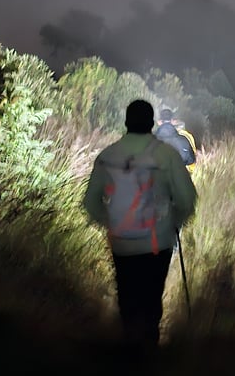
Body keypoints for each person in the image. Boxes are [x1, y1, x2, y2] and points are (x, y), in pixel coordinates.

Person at [83, 99, 197, 346]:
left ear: (126, 122)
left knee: (127, 294)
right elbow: (187, 201)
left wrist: (110, 221)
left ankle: (129, 347)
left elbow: (91, 202)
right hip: (158, 242)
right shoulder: (166, 155)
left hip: (121, 242)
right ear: (150, 123)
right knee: (151, 297)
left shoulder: (108, 155)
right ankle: (148, 349)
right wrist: (172, 222)